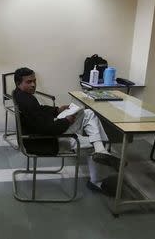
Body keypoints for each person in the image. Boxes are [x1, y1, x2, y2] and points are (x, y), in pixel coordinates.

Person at [13, 67, 121, 196]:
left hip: (38, 137)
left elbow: (39, 111)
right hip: (44, 142)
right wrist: (66, 121)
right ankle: (97, 176)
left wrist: (57, 110)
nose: (33, 84)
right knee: (92, 135)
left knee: (87, 114)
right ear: (18, 83)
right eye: (28, 82)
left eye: (34, 81)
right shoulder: (28, 101)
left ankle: (101, 150)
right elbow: (46, 129)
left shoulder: (20, 95)